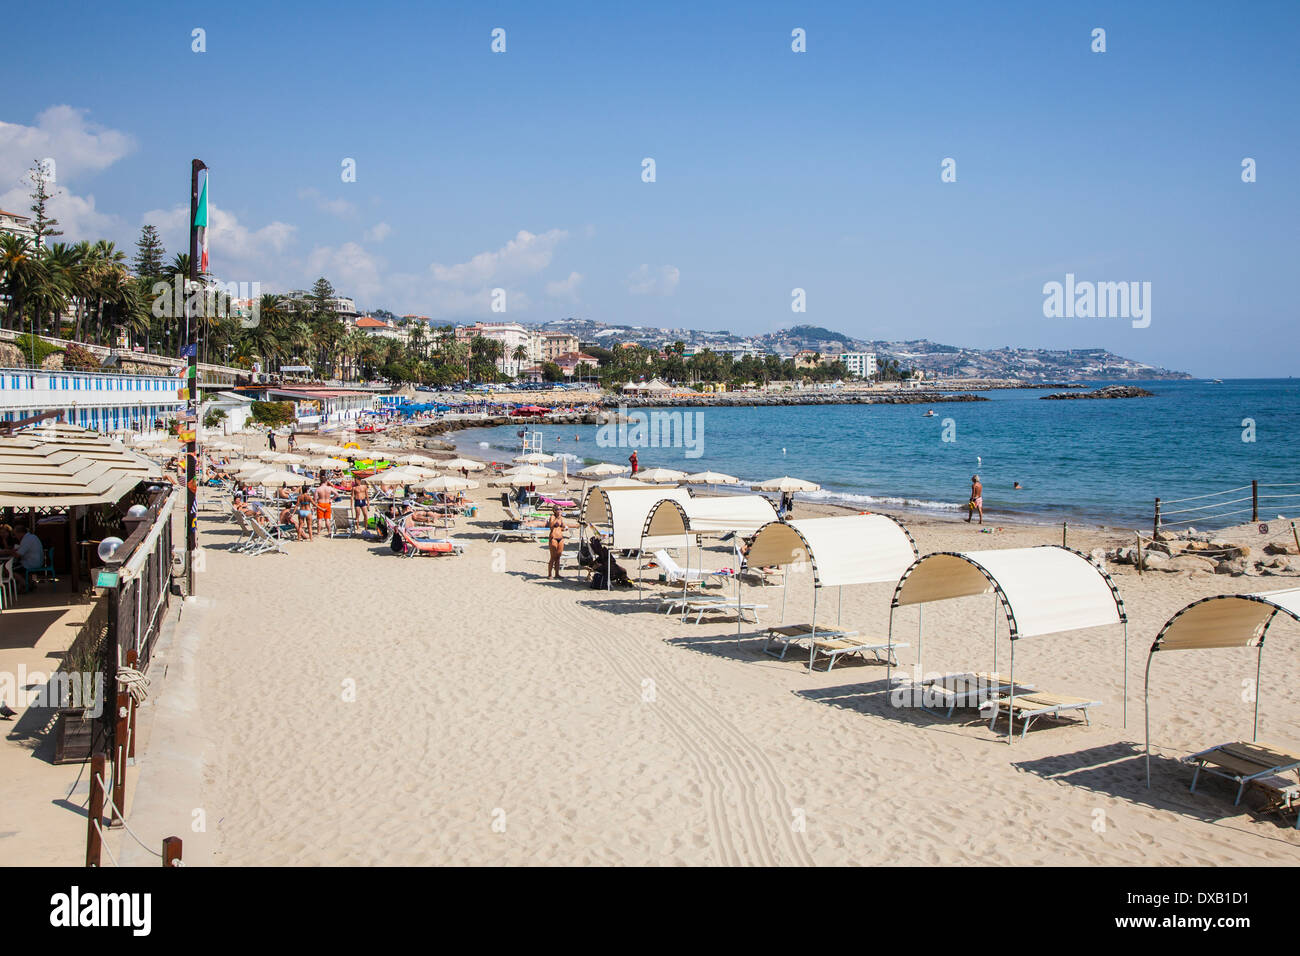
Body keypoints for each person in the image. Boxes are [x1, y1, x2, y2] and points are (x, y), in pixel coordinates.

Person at [1, 521, 45, 592]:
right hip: (37, 561)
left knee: (8, 569)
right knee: (15, 566)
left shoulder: (26, 540)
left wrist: (7, 551)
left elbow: (18, 555)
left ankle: (24, 584)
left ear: (20, 533)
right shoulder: (32, 537)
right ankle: (29, 583)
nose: (15, 536)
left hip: (31, 563)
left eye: (15, 534)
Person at [546, 507, 568, 579]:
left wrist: (565, 528)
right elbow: (551, 526)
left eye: (561, 509)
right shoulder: (552, 517)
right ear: (554, 510)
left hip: (560, 538)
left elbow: (562, 526)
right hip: (553, 538)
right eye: (558, 509)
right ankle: (549, 574)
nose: (560, 510)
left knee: (558, 557)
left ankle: (557, 574)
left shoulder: (561, 518)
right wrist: (557, 518)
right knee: (553, 557)